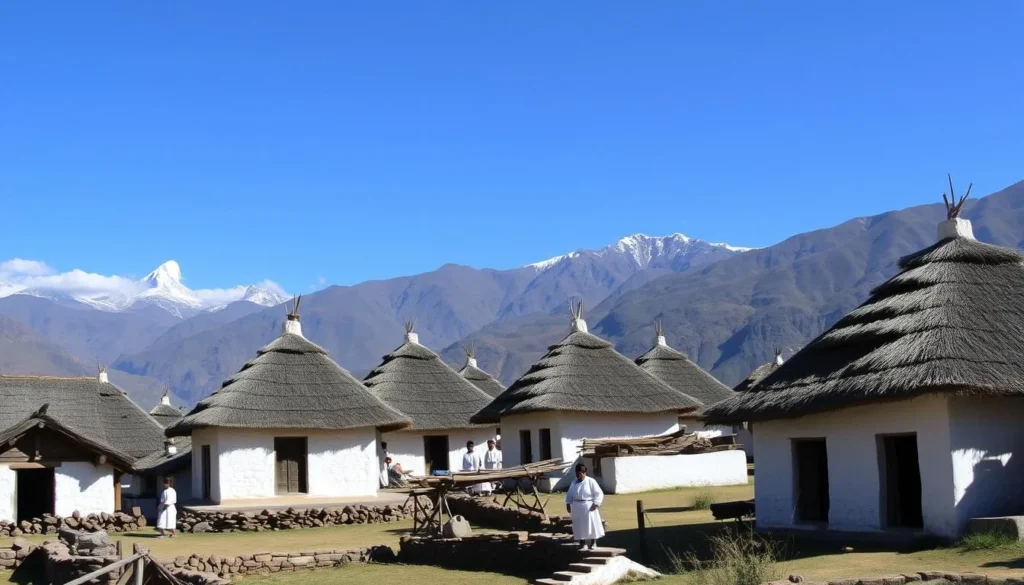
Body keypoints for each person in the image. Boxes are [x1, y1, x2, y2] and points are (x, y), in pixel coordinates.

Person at [565, 463, 604, 550]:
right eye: (576, 473)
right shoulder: (574, 482)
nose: (577, 475)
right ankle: (582, 543)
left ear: (584, 472)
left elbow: (599, 493)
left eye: (579, 473)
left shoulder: (591, 481)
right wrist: (568, 503)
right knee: (579, 525)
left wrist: (596, 503)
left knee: (592, 524)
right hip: (576, 506)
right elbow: (570, 493)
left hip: (589, 506)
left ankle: (593, 543)